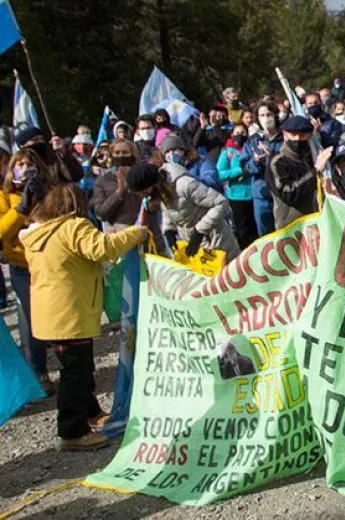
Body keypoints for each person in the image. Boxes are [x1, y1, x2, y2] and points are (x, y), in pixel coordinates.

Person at [22, 183, 149, 451]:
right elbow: (101, 249)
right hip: (71, 313)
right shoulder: (72, 227)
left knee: (77, 367)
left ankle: (90, 412)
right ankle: (73, 431)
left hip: (50, 315)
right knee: (75, 374)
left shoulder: (38, 234)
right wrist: (136, 233)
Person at [1, 150, 52, 393]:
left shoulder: (49, 191)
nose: (24, 167)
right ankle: (39, 370)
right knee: (33, 320)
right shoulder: (3, 196)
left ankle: (71, 365)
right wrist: (21, 208)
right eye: (19, 164)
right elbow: (2, 232)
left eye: (29, 163)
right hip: (22, 267)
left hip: (50, 262)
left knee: (58, 314)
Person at [127, 162, 240, 262]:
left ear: (152, 184)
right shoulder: (161, 191)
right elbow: (169, 209)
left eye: (144, 192)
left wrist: (200, 231)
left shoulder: (185, 185)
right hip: (195, 246)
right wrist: (169, 230)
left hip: (217, 242)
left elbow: (220, 203)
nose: (144, 196)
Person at [265, 116, 336, 229]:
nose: (297, 139)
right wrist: (315, 170)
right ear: (285, 135)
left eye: (302, 135)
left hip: (315, 221)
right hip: (291, 228)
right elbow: (288, 193)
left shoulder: (311, 156)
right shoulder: (277, 163)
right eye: (293, 135)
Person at [240, 101, 282, 236]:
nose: (266, 118)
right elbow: (244, 169)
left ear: (275, 115)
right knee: (266, 236)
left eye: (269, 114)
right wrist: (256, 162)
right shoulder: (252, 141)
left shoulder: (285, 138)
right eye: (262, 115)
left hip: (282, 195)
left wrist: (273, 155)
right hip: (261, 196)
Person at [217, 124, 257, 249]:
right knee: (242, 230)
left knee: (255, 229)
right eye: (237, 132)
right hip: (236, 196)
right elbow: (220, 173)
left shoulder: (253, 149)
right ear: (232, 134)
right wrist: (239, 171)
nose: (240, 135)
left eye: (243, 132)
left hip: (254, 194)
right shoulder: (227, 152)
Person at [14, 126, 84, 186]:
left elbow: (75, 176)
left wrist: (64, 153)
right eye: (35, 140)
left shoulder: (55, 158)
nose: (40, 142)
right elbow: (17, 183)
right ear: (23, 145)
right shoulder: (18, 163)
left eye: (41, 139)